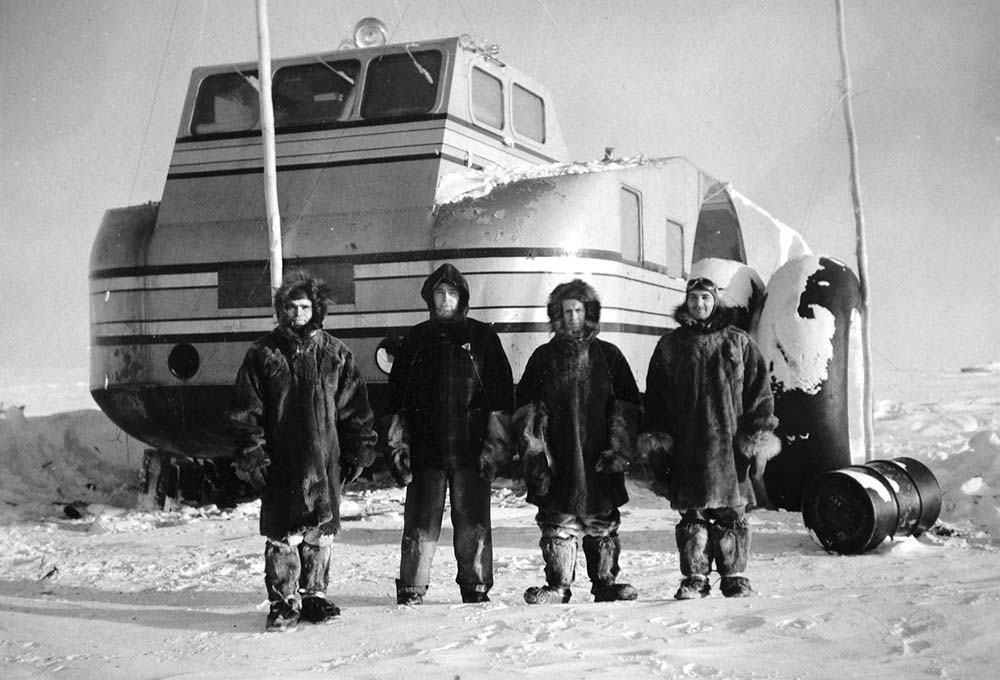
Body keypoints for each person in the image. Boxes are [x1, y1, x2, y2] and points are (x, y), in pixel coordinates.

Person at [229, 270, 378, 631]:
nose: (298, 314)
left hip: (325, 462)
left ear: (317, 309)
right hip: (281, 464)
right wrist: (255, 458)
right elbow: (245, 413)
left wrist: (358, 453)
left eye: (305, 306)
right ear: (282, 310)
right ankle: (283, 603)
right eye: (292, 307)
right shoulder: (262, 355)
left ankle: (315, 597)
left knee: (319, 532)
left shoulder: (335, 355)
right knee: (283, 535)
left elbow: (355, 411)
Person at [641, 276, 780, 600]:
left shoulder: (739, 342)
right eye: (694, 299)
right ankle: (695, 578)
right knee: (693, 515)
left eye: (705, 298)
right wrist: (658, 442)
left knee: (732, 514)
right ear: (686, 301)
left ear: (715, 301)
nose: (699, 304)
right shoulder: (670, 345)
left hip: (730, 451)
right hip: (688, 448)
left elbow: (760, 394)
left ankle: (734, 576)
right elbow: (656, 400)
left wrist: (756, 440)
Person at [383, 263, 514, 605]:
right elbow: (395, 400)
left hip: (471, 450)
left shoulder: (483, 338)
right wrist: (398, 447)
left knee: (473, 523)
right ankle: (412, 586)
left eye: (452, 293)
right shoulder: (415, 339)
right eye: (439, 293)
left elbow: (500, 400)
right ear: (430, 298)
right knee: (419, 523)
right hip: (427, 449)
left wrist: (496, 448)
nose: (445, 300)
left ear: (462, 298)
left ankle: (476, 586)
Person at [513, 279, 641, 604]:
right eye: (567, 310)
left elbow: (627, 407)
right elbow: (526, 410)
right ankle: (558, 586)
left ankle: (605, 584)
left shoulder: (609, 356)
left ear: (589, 313)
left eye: (578, 310)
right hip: (560, 456)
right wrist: (535, 456)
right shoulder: (543, 358)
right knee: (558, 523)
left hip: (599, 456)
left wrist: (619, 450)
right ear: (557, 314)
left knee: (602, 524)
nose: (573, 316)